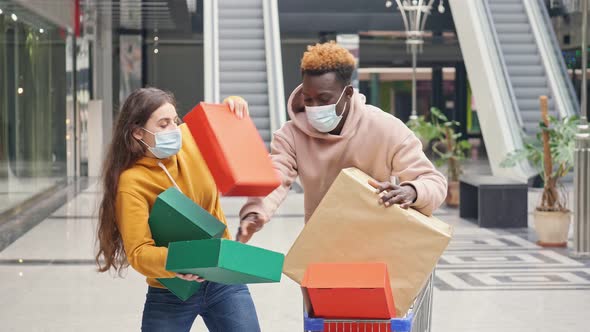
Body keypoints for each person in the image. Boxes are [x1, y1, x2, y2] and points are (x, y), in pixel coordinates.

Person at [238, 41, 447, 243]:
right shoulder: (291, 135)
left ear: (347, 93)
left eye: (324, 99)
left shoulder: (385, 128)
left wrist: (412, 191)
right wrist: (255, 213)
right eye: (308, 99)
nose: (314, 107)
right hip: (321, 244)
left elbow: (433, 181)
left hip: (379, 246)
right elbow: (275, 176)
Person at [95, 88, 260, 332]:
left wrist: (232, 105)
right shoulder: (132, 183)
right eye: (163, 124)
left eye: (175, 120)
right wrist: (180, 262)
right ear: (138, 132)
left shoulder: (190, 140)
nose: (174, 130)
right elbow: (140, 252)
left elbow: (222, 122)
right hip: (171, 290)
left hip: (222, 277)